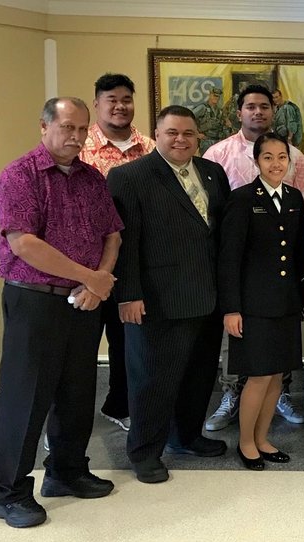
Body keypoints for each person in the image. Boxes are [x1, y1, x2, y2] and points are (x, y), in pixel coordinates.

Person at [0, 98, 122, 528]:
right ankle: (9, 493)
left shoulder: (90, 178)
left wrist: (97, 280)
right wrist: (90, 277)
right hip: (35, 299)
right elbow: (24, 243)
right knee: (25, 397)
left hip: (84, 302)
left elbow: (112, 234)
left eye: (83, 129)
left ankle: (66, 472)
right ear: (44, 126)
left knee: (77, 391)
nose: (77, 137)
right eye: (67, 127)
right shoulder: (20, 175)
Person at [109, 105, 231, 484]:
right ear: (156, 134)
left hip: (207, 297)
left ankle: (186, 436)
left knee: (198, 376)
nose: (181, 140)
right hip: (157, 300)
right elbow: (124, 243)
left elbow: (220, 234)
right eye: (172, 132)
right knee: (152, 381)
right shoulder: (129, 177)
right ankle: (144, 451)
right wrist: (128, 295)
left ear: (199, 137)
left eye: (189, 133)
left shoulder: (212, 172)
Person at [202, 84, 304, 432]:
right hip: (248, 290)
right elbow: (227, 249)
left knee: (274, 367)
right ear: (239, 112)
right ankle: (235, 408)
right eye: (250, 106)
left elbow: (299, 240)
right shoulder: (223, 162)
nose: (258, 111)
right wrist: (231, 306)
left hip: (282, 290)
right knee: (247, 361)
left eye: (264, 106)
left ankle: (271, 417)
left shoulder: (294, 180)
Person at [218, 132, 304, 471]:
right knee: (258, 376)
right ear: (256, 161)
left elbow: (300, 253)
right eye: (268, 157)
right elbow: (229, 258)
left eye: (282, 157)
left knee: (276, 376)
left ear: (290, 161)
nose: (276, 163)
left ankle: (262, 438)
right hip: (253, 306)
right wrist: (231, 308)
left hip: (285, 303)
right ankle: (245, 443)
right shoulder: (242, 198)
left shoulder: (294, 197)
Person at [79, 73, 156, 433]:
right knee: (78, 347)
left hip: (136, 261)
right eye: (111, 99)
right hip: (86, 264)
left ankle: (120, 404)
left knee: (131, 340)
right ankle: (66, 422)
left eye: (126, 99)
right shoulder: (80, 147)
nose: (120, 106)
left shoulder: (151, 146)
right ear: (97, 103)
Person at [193, 87, 230, 153]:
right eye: (214, 95)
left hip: (217, 142)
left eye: (218, 96)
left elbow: (225, 125)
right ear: (210, 95)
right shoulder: (203, 107)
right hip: (206, 141)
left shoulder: (219, 111)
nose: (216, 98)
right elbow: (189, 118)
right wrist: (197, 134)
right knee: (205, 162)